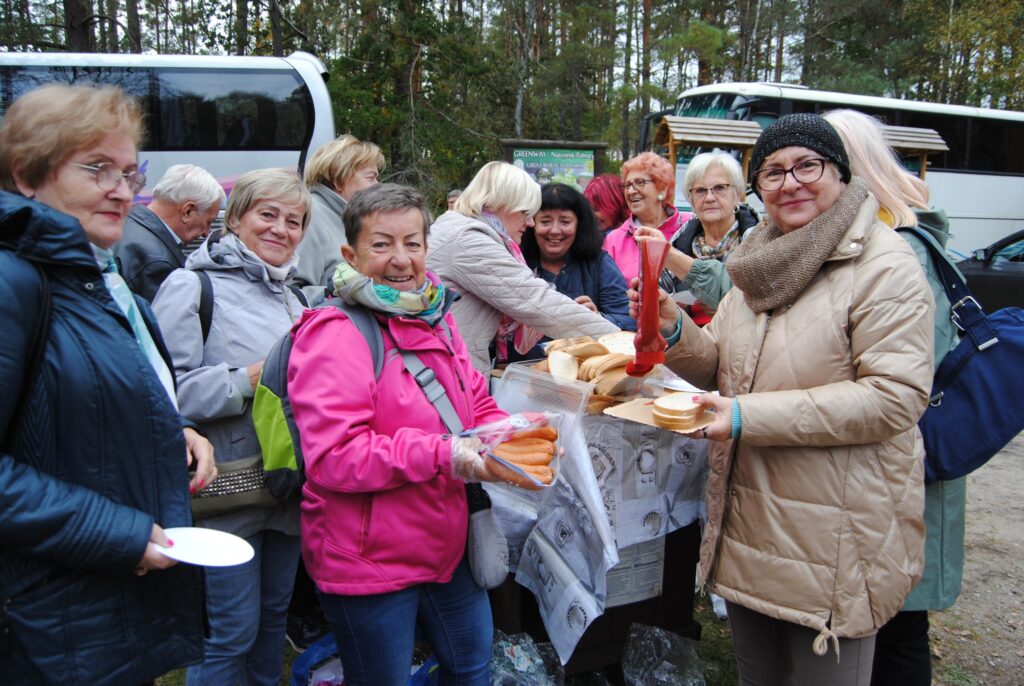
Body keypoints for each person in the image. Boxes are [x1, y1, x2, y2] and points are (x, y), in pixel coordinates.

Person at [637, 113, 934, 685]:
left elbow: (894, 398)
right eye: (772, 171)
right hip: (751, 521)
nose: (789, 182)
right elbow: (721, 362)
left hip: (834, 533)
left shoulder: (882, 264)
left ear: (841, 175)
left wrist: (746, 416)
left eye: (807, 165)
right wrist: (674, 328)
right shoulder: (756, 262)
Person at [0, 83, 216, 683]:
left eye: (129, 171)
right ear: (26, 174)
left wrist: (177, 429)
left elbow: (85, 405)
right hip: (45, 619)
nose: (123, 191)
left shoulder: (97, 280)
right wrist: (116, 533)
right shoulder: (13, 283)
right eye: (98, 169)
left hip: (104, 608)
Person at [288, 183, 508, 685]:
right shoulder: (337, 332)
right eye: (381, 244)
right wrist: (445, 455)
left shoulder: (434, 316)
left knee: (472, 665)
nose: (401, 259)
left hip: (445, 544)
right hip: (368, 559)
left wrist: (509, 433)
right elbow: (336, 457)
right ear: (351, 253)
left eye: (412, 243)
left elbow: (472, 399)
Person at [151, 168, 312, 686]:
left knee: (272, 621)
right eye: (268, 214)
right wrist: (249, 377)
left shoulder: (299, 299)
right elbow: (163, 394)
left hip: (286, 489)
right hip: (226, 487)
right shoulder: (192, 287)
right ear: (236, 218)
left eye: (294, 221)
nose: (280, 229)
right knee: (231, 632)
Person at [823, 108, 963, 686]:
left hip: (900, 467)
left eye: (817, 165)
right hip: (873, 469)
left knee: (897, 622)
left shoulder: (900, 249)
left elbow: (901, 381)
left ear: (851, 171)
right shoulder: (865, 239)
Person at [426, 161, 618, 372]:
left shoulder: (459, 229)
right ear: (501, 203)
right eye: (525, 212)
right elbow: (535, 301)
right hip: (449, 374)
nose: (530, 223)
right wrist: (619, 342)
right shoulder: (468, 241)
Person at [660, 151, 760, 325]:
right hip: (689, 343)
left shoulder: (757, 240)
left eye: (720, 188)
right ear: (690, 198)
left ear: (737, 193)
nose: (710, 198)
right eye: (700, 191)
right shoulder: (677, 244)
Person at [520, 182, 634, 332]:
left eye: (565, 222)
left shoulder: (599, 264)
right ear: (531, 224)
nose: (554, 230)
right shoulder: (517, 263)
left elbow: (630, 320)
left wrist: (597, 318)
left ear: (579, 225)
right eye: (545, 221)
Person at [292, 134, 384, 303]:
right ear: (339, 178)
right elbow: (291, 292)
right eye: (371, 177)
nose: (378, 185)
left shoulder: (350, 219)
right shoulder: (311, 215)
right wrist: (344, 293)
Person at [114, 163, 226, 301]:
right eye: (209, 222)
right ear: (188, 211)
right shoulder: (157, 263)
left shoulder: (126, 224)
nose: (206, 233)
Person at [604, 151, 687, 284]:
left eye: (639, 182)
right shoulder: (614, 240)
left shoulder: (689, 226)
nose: (631, 191)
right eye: (627, 185)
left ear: (662, 188)